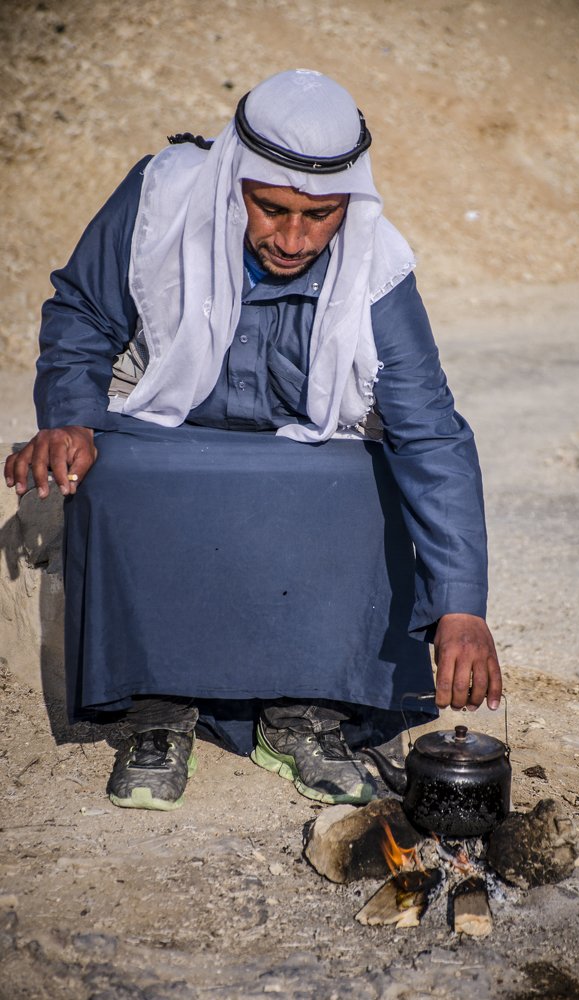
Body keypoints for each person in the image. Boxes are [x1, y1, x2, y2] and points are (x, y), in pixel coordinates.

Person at [4, 69, 501, 813]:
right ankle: (156, 708)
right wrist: (68, 417)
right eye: (271, 210)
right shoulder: (161, 199)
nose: (294, 238)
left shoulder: (377, 266)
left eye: (321, 216)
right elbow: (81, 312)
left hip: (306, 464)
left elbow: (431, 431)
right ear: (235, 180)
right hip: (168, 440)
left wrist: (463, 608)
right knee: (115, 472)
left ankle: (306, 712)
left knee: (371, 483)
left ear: (349, 206)